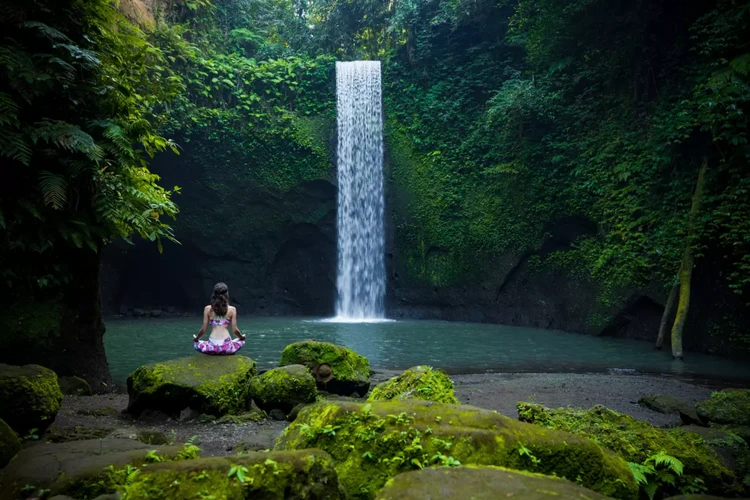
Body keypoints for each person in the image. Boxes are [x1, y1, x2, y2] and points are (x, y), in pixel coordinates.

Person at [193, 282, 246, 355]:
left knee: (197, 343)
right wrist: (242, 337)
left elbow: (203, 330)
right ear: (227, 294)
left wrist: (196, 338)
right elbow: (235, 330)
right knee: (241, 341)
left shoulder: (207, 309)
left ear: (214, 294)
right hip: (226, 347)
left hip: (212, 347)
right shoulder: (232, 309)